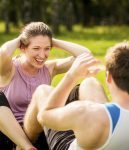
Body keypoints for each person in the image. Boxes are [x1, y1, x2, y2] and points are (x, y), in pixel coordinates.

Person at [25, 41, 129, 150]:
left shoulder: (86, 112)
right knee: (90, 82)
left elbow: (44, 115)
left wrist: (72, 76)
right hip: (104, 132)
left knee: (43, 91)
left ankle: (23, 144)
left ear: (109, 77)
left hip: (83, 136)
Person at [0, 21, 90, 149]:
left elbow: (85, 56)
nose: (42, 55)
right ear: (23, 47)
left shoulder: (49, 68)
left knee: (81, 90)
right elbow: (3, 53)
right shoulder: (10, 69)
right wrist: (20, 39)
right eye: (36, 48)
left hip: (39, 133)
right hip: (10, 137)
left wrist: (52, 41)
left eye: (47, 48)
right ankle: (24, 146)